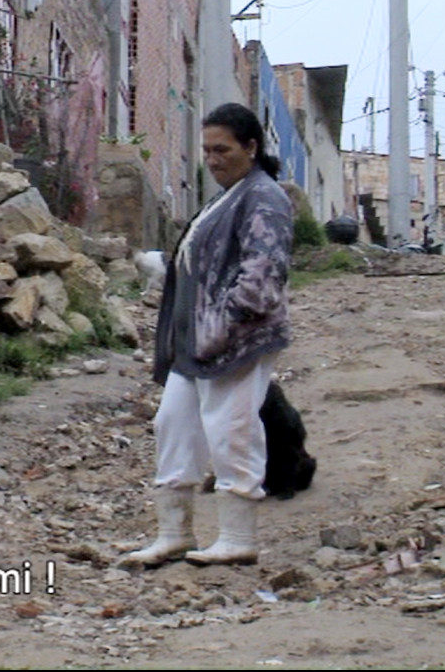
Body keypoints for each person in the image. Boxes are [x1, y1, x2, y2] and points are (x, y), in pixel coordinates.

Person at [124, 103, 294, 567]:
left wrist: (224, 323)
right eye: (207, 151)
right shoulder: (230, 196)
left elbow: (263, 273)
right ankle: (174, 533)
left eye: (223, 149)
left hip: (235, 340)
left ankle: (238, 538)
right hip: (195, 343)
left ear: (251, 147)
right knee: (173, 425)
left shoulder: (263, 197)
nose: (213, 159)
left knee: (230, 428)